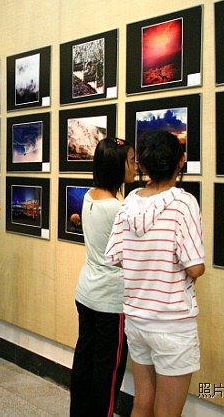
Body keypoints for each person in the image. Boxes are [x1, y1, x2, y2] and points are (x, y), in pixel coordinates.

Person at [104, 131, 205, 417]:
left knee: (141, 404)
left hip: (137, 319)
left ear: (143, 165)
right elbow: (195, 267)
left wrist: (144, 263)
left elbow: (115, 257)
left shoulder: (130, 201)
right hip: (171, 321)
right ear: (181, 161)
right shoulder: (183, 202)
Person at [70, 137, 137, 417]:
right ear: (116, 167)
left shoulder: (89, 196)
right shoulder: (119, 209)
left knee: (84, 362)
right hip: (111, 301)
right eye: (131, 161)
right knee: (107, 373)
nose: (136, 166)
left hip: (86, 293)